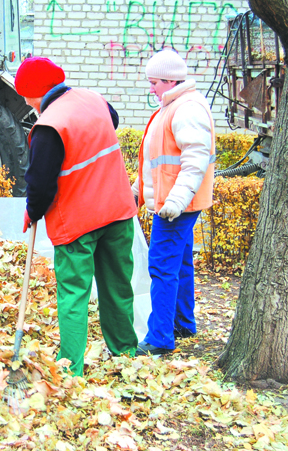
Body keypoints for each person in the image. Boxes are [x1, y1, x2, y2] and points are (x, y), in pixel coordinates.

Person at [16, 56, 138, 376]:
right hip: (118, 211)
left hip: (78, 223)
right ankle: (126, 356)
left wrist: (32, 211)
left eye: (25, 95)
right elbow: (110, 123)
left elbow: (39, 182)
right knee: (117, 287)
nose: (27, 103)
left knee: (74, 295)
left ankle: (70, 371)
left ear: (35, 91)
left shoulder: (48, 125)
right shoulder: (94, 99)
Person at [133, 49, 215, 356]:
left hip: (174, 207)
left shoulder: (185, 109)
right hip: (175, 203)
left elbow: (194, 162)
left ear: (169, 80)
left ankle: (160, 337)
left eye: (154, 82)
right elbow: (157, 161)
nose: (151, 88)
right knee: (179, 264)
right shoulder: (174, 106)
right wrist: (136, 191)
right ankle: (182, 323)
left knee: (162, 266)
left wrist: (176, 201)